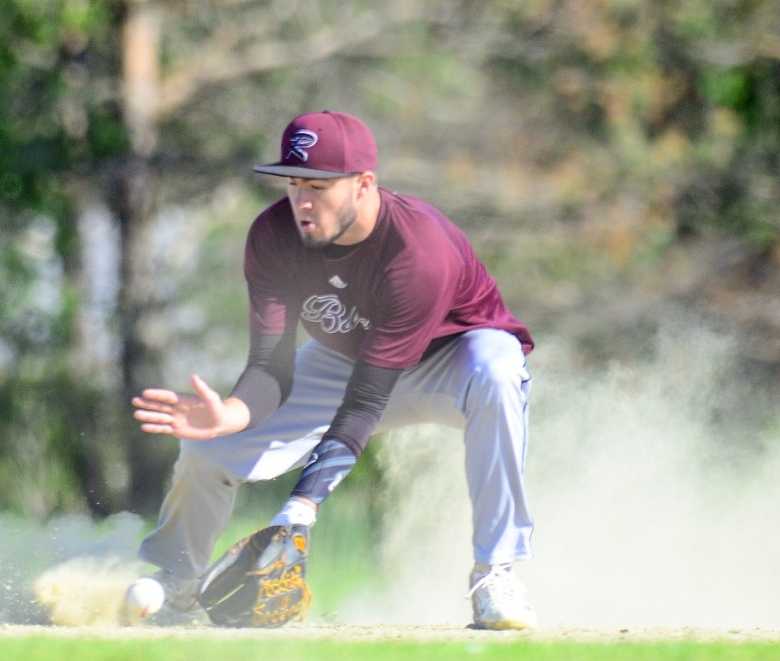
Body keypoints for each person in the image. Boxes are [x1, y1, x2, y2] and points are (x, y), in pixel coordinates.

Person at [127, 110, 537, 630]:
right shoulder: (274, 236)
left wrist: (300, 508)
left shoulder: (417, 250)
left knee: (497, 368)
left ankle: (495, 574)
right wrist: (231, 413)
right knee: (207, 446)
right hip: (347, 361)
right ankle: (177, 585)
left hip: (450, 361)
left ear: (365, 184)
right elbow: (270, 367)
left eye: (320, 185)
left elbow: (366, 403)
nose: (303, 199)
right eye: (295, 182)